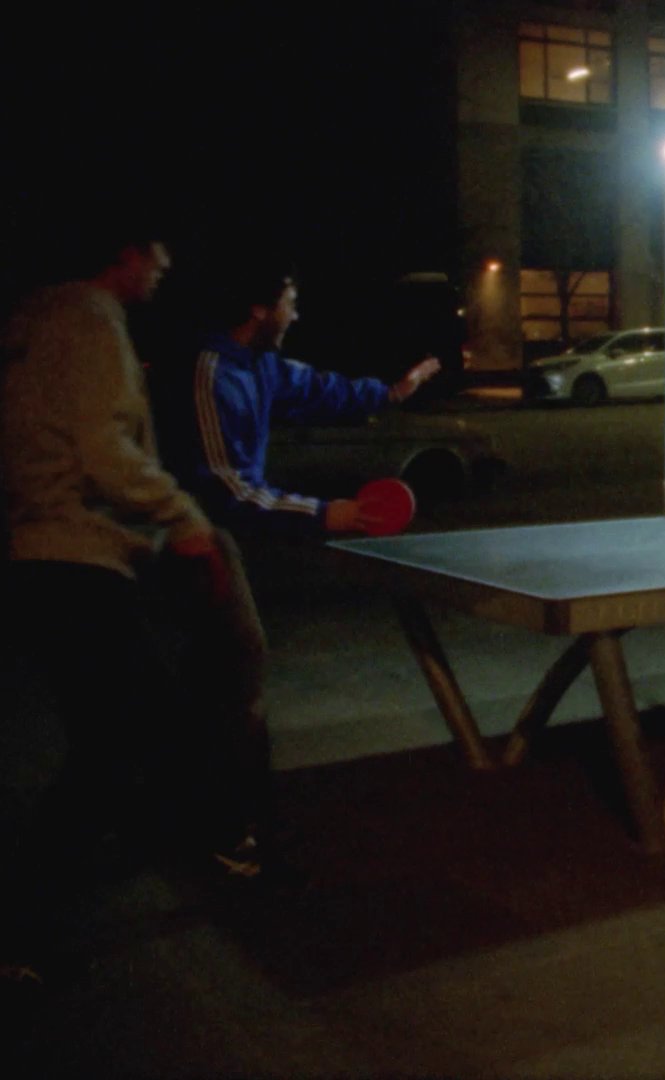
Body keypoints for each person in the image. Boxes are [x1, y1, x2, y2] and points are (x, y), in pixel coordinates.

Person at [0, 221, 270, 992]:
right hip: (76, 561)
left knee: (119, 735)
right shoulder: (85, 320)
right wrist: (181, 521)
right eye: (155, 252)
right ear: (120, 254)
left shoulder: (32, 321)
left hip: (50, 554)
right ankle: (21, 925)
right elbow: (104, 446)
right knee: (118, 741)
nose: (165, 267)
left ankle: (171, 842)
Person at [160, 263, 441, 538]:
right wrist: (324, 513)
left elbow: (320, 389)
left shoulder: (262, 364)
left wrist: (391, 392)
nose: (294, 316)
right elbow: (227, 492)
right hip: (193, 538)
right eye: (290, 303)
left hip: (227, 535)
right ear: (259, 309)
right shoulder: (212, 376)